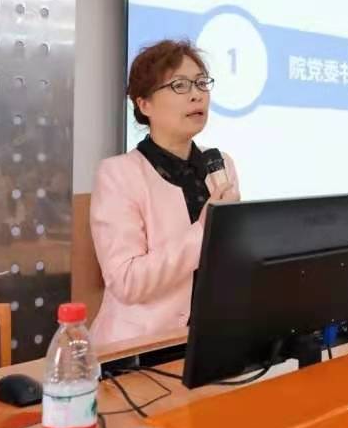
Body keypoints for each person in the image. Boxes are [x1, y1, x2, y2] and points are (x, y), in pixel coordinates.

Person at [89, 40, 240, 345]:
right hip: (139, 347)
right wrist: (205, 230)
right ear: (144, 104)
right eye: (179, 85)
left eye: (201, 83)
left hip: (211, 337)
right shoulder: (119, 174)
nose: (197, 94)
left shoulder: (220, 164)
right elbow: (127, 282)